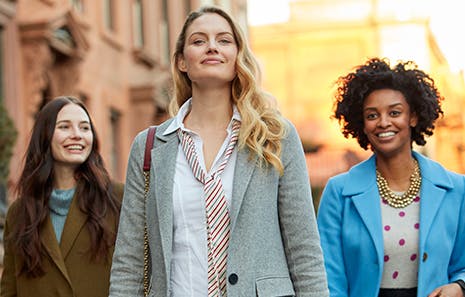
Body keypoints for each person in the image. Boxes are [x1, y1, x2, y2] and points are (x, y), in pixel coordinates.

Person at [109, 5, 328, 297]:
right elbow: (130, 258)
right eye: (199, 41)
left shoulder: (275, 137)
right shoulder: (149, 147)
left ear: (238, 56)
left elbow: (304, 249)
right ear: (182, 62)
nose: (212, 47)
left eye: (224, 40)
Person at [317, 57, 465, 297]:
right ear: (362, 124)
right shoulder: (338, 192)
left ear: (413, 117)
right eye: (372, 115)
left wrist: (460, 286)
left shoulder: (456, 189)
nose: (384, 122)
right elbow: (328, 276)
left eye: (395, 112)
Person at [0, 96, 123, 297]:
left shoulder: (117, 198)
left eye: (84, 128)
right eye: (64, 127)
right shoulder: (19, 213)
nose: (77, 135)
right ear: (45, 136)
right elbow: (9, 290)